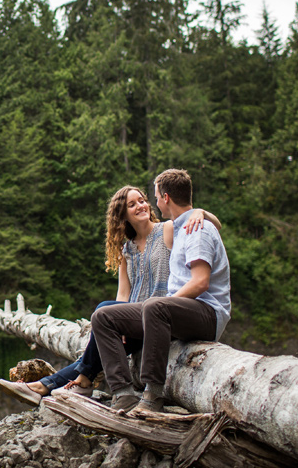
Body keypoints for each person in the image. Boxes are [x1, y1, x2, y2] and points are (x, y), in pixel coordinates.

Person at [0, 184, 220, 406]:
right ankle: (54, 385)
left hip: (160, 318)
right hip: (135, 321)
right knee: (102, 320)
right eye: (132, 204)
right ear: (122, 215)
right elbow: (123, 294)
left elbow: (211, 226)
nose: (140, 206)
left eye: (142, 200)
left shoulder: (167, 230)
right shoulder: (127, 250)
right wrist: (120, 325)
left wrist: (200, 212)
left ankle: (50, 385)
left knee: (98, 329)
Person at [90, 169, 231, 415]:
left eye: (155, 197)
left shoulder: (198, 229)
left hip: (208, 313)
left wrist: (161, 305)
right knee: (103, 316)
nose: (153, 203)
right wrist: (201, 211)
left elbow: (200, 283)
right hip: (175, 312)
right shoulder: (179, 227)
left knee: (156, 305)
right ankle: (123, 394)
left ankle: (153, 394)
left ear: (165, 198)